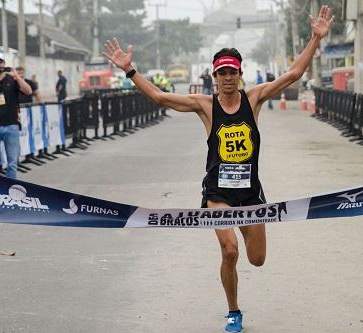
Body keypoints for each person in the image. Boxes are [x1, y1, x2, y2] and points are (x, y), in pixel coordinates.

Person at [102, 6, 333, 332]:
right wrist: (130, 71)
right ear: (214, 76)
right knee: (229, 250)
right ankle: (234, 311)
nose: (227, 78)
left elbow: (293, 74)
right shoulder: (205, 106)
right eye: (222, 73)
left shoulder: (254, 99)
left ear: (240, 74)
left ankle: (237, 296)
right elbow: (159, 97)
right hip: (218, 194)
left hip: (251, 194)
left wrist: (315, 38)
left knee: (257, 259)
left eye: (232, 72)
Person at [0, 52, 32, 179]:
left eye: (0, 62)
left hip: (11, 125)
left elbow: (29, 91)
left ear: (4, 64)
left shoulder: (12, 80)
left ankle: (10, 190)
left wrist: (17, 77)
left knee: (12, 164)